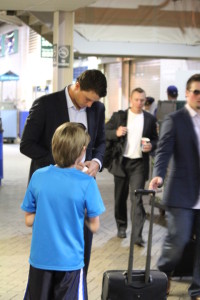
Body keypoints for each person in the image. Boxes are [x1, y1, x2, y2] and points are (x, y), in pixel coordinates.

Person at [20, 69, 107, 275]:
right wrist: (64, 162)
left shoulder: (97, 108)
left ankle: (77, 290)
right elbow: (27, 145)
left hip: (82, 188)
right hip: (52, 189)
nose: (89, 105)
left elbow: (101, 141)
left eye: (93, 102)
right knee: (50, 250)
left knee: (82, 252)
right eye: (87, 99)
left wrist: (96, 161)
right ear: (77, 85)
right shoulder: (45, 104)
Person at [21, 122, 105, 300]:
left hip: (40, 260)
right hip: (70, 262)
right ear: (83, 151)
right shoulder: (86, 183)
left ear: (54, 146)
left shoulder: (38, 176)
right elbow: (95, 225)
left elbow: (28, 220)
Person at [149, 74, 200, 300]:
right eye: (196, 92)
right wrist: (158, 174)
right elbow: (163, 150)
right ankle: (164, 272)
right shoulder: (175, 119)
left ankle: (197, 290)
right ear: (187, 93)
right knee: (178, 239)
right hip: (181, 193)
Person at [105, 87, 158, 245]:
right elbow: (104, 132)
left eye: (142, 100)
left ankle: (137, 236)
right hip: (121, 162)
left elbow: (156, 139)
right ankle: (121, 226)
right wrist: (116, 132)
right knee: (120, 198)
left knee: (138, 199)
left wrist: (152, 146)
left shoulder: (149, 119)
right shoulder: (119, 116)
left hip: (139, 164)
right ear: (130, 99)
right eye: (136, 99)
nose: (139, 103)